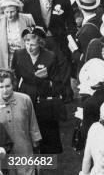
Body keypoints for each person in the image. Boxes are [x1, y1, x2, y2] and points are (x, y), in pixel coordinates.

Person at [11, 26, 64, 155]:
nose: (29, 47)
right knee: (25, 126)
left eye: (33, 45)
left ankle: (47, 158)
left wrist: (44, 80)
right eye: (27, 43)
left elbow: (58, 84)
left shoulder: (50, 57)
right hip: (25, 97)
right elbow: (15, 76)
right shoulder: (18, 54)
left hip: (43, 100)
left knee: (46, 130)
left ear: (40, 43)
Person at [0, 69, 41, 175]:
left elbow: (33, 125)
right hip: (4, 156)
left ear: (13, 84)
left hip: (24, 151)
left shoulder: (25, 99)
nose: (4, 90)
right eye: (1, 87)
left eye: (7, 86)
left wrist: (36, 148)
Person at [0, 0, 35, 69]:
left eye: (12, 12)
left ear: (18, 9)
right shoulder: (1, 21)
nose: (9, 15)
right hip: (6, 59)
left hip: (25, 57)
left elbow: (35, 38)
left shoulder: (27, 18)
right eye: (6, 12)